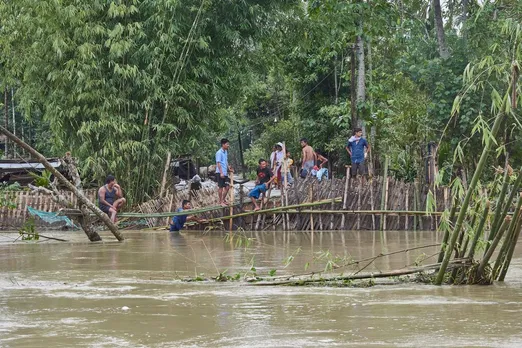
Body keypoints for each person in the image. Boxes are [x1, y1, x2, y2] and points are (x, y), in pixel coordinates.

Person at [216, 138, 233, 206]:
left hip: (225, 173)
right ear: (223, 144)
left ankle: (223, 200)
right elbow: (218, 163)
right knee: (221, 187)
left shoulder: (225, 152)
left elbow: (226, 161)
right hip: (220, 172)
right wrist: (221, 172)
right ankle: (220, 201)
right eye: (227, 144)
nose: (228, 145)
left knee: (227, 187)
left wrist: (229, 168)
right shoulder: (219, 153)